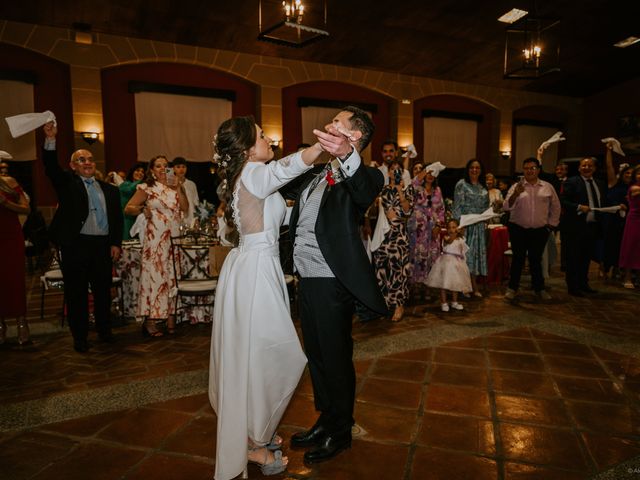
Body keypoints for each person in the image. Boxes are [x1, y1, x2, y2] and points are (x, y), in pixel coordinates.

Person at [207, 116, 349, 479]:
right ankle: (254, 444)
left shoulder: (254, 177)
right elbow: (284, 168)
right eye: (260, 135)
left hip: (257, 268)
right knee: (278, 355)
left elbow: (284, 213)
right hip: (254, 272)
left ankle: (256, 433)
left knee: (258, 357)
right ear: (245, 148)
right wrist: (320, 147)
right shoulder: (255, 171)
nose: (268, 138)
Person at [288, 106, 387, 464]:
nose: (328, 126)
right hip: (308, 278)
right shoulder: (318, 175)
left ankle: (341, 432)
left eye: (337, 123)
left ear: (355, 135)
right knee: (316, 356)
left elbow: (362, 191)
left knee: (336, 359)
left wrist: (345, 154)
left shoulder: (367, 176)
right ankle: (326, 420)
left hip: (332, 282)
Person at [42, 122, 123, 353]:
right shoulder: (67, 184)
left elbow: (116, 219)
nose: (87, 162)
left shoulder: (110, 190)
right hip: (76, 245)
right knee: (76, 293)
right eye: (81, 160)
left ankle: (105, 331)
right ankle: (80, 337)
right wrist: (50, 140)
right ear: (72, 166)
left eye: (89, 159)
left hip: (101, 246)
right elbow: (50, 167)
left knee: (102, 292)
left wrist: (115, 243)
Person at [125, 155, 188, 336]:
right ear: (151, 170)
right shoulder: (147, 188)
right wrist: (142, 209)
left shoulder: (174, 187)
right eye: (158, 166)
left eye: (165, 166)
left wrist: (179, 188)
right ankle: (150, 321)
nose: (162, 169)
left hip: (173, 239)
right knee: (155, 279)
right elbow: (128, 208)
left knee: (171, 278)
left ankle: (170, 318)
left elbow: (185, 208)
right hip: (155, 241)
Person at [502, 157, 561, 301]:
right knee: (518, 259)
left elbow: (556, 206)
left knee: (536, 260)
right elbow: (506, 207)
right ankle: (512, 288)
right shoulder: (516, 186)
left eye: (532, 168)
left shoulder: (547, 187)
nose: (529, 171)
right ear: (523, 170)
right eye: (526, 168)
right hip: (518, 229)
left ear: (538, 170)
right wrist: (516, 193)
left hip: (540, 230)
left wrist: (551, 225)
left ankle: (539, 288)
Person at [373, 159, 415, 321]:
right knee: (383, 269)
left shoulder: (408, 189)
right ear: (389, 172)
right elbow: (385, 212)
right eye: (393, 170)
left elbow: (407, 212)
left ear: (402, 173)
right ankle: (385, 304)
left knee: (398, 271)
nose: (396, 172)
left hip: (399, 237)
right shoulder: (382, 190)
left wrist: (400, 192)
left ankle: (399, 305)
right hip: (384, 236)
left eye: (399, 170)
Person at [560, 157, 607, 297]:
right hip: (575, 227)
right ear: (579, 168)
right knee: (573, 258)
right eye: (584, 165)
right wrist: (579, 207)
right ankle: (573, 287)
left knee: (586, 258)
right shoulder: (571, 182)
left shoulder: (600, 183)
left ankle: (583, 284)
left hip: (592, 227)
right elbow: (563, 201)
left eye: (590, 165)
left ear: (594, 168)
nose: (587, 167)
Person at [0, 172, 31, 345]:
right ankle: (0, 325)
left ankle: (21, 321)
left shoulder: (9, 182)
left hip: (10, 237)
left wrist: (6, 203)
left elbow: (26, 208)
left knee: (15, 280)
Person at [407, 162, 445, 299]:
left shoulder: (438, 190)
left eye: (433, 173)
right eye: (428, 172)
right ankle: (415, 286)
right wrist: (427, 169)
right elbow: (414, 181)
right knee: (417, 256)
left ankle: (427, 286)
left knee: (431, 257)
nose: (430, 176)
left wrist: (438, 226)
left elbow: (441, 211)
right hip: (417, 229)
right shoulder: (417, 188)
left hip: (432, 230)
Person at [452, 159, 489, 297]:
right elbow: (456, 206)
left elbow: (486, 207)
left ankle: (474, 286)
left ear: (481, 170)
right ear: (468, 169)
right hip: (465, 225)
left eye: (477, 168)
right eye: (472, 167)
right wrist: (458, 226)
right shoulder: (462, 184)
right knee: (465, 257)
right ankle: (464, 287)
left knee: (475, 258)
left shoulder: (482, 186)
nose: (474, 170)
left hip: (478, 226)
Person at [426, 219, 472, 311]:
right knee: (444, 284)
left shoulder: (461, 239)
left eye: (454, 227)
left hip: (457, 264)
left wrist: (462, 229)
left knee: (455, 284)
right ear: (446, 229)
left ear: (457, 228)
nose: (452, 230)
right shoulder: (446, 237)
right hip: (446, 264)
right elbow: (450, 241)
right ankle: (444, 302)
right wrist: (454, 233)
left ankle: (454, 302)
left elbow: (463, 249)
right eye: (449, 228)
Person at [602, 143, 632, 280]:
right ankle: (604, 266)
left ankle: (616, 268)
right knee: (609, 243)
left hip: (626, 220)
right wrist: (608, 151)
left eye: (631, 173)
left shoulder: (634, 187)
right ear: (622, 174)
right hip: (611, 219)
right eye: (627, 173)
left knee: (621, 245)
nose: (629, 175)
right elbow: (609, 166)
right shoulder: (613, 183)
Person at [619, 165, 640, 289]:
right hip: (634, 220)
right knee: (631, 248)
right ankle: (627, 277)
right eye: (638, 173)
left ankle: (638, 278)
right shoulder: (634, 187)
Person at [119, 163, 146, 240]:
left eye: (142, 172)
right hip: (125, 219)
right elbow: (131, 189)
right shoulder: (125, 184)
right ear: (132, 172)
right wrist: (144, 181)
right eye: (137, 170)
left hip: (136, 218)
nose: (140, 173)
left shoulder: (142, 188)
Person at [172, 156, 199, 228]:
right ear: (173, 169)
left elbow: (195, 203)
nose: (181, 169)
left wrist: (196, 219)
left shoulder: (191, 184)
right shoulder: (170, 184)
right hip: (175, 218)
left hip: (190, 218)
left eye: (183, 167)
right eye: (178, 167)